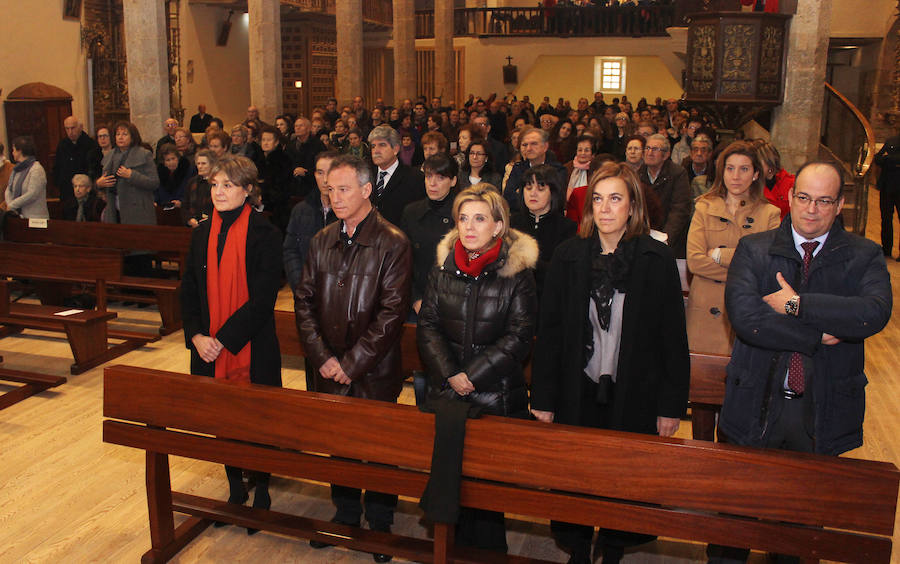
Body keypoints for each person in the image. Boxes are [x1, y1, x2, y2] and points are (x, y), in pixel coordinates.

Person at [710, 163, 892, 563]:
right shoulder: (755, 249)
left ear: (840, 204)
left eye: (824, 201)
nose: (811, 210)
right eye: (804, 198)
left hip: (820, 409)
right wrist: (817, 333)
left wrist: (796, 304)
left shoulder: (863, 255)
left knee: (798, 534)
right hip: (754, 401)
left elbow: (873, 313)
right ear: (790, 198)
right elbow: (746, 319)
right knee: (733, 526)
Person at [531, 161, 690, 564]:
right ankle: (579, 548)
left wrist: (670, 407)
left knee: (625, 476)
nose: (604, 208)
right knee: (577, 475)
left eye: (615, 199)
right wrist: (544, 396)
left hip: (634, 389)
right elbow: (550, 333)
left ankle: (615, 546)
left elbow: (673, 339)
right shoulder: (569, 255)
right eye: (597, 199)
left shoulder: (656, 258)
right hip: (577, 386)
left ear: (632, 206)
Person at [294, 154, 412, 564]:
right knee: (338, 445)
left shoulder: (393, 242)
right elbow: (304, 303)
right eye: (330, 189)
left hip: (375, 370)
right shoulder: (321, 239)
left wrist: (351, 363)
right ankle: (345, 515)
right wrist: (324, 358)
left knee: (379, 449)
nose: (336, 196)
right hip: (328, 367)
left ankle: (380, 523)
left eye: (344, 189)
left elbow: (392, 315)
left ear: (367, 190)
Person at [416, 185, 538, 553]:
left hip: (495, 393)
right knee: (449, 479)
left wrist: (472, 376)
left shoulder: (516, 274)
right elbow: (428, 325)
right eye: (463, 219)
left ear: (498, 226)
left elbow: (520, 335)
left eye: (480, 219)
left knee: (486, 494)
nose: (469, 227)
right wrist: (451, 374)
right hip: (449, 392)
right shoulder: (443, 268)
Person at [180, 155, 283, 535]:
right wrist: (196, 336)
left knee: (258, 419)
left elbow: (262, 300)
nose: (219, 192)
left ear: (246, 190)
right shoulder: (199, 233)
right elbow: (188, 289)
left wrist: (221, 340)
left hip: (251, 346)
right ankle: (236, 488)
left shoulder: (265, 234)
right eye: (215, 185)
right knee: (221, 419)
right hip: (207, 346)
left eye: (228, 185)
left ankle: (262, 488)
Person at [685, 141, 780, 355]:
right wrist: (745, 269)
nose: (736, 176)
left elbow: (768, 267)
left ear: (756, 174)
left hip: (746, 310)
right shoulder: (704, 206)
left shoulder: (770, 214)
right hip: (705, 312)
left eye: (744, 169)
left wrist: (719, 254)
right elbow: (695, 261)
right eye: (730, 168)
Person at [399, 153, 460, 315]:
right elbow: (403, 262)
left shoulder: (463, 214)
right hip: (419, 300)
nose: (432, 184)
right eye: (428, 176)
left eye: (440, 178)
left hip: (455, 301)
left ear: (453, 181)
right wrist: (415, 298)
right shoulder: (411, 212)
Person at [511, 164, 577, 298]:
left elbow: (561, 273)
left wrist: (529, 261)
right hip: (514, 297)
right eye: (528, 187)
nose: (532, 193)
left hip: (549, 297)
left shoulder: (567, 228)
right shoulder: (512, 223)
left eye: (541, 188)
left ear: (553, 192)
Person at [283, 150, 339, 293]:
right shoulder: (301, 210)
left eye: (330, 171)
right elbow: (290, 250)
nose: (325, 179)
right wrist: (299, 284)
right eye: (320, 173)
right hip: (305, 292)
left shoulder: (349, 212)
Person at [638, 134, 691, 258]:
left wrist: (664, 239)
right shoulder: (638, 174)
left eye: (655, 149)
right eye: (647, 148)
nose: (650, 152)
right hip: (645, 238)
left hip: (671, 239)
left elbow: (680, 210)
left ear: (666, 155)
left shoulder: (678, 173)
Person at [96, 121, 159, 225]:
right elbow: (105, 184)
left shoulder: (144, 154)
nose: (120, 137)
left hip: (138, 211)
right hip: (114, 209)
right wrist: (99, 184)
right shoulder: (110, 156)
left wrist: (132, 175)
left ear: (133, 137)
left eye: (125, 134)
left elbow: (154, 182)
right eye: (118, 134)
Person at [368, 124, 425, 227]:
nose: (376, 151)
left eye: (382, 145)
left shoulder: (415, 178)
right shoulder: (365, 175)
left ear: (396, 149)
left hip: (400, 238)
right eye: (373, 146)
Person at [503, 127, 567, 214]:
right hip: (522, 219)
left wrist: (521, 193)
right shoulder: (518, 168)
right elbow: (508, 197)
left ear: (545, 146)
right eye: (525, 145)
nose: (528, 148)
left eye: (534, 144)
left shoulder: (558, 170)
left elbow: (555, 200)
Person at [52, 116, 101, 208]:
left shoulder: (91, 145)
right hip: (66, 192)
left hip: (86, 193)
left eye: (73, 128)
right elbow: (57, 168)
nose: (70, 132)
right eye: (67, 129)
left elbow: (95, 169)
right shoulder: (62, 145)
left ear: (81, 127)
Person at [257, 126, 294, 233]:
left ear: (276, 142)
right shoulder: (259, 159)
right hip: (260, 201)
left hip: (278, 207)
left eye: (269, 140)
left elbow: (281, 186)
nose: (265, 143)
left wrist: (264, 197)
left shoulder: (283, 160)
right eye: (263, 140)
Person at [5, 136, 50, 219]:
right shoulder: (16, 169)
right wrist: (10, 205)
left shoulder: (36, 169)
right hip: (19, 217)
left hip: (35, 218)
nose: (12, 153)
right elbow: (9, 189)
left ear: (20, 151)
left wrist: (13, 204)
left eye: (14, 150)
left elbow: (32, 194)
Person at [874, 130, 900, 259]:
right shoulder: (891, 141)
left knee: (887, 219)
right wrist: (891, 161)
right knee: (886, 219)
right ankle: (886, 249)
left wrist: (888, 159)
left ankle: (888, 250)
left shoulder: (891, 143)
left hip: (892, 184)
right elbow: (877, 158)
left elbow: (882, 159)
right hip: (887, 185)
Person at [287, 117, 326, 199]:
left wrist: (306, 172)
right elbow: (286, 163)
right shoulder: (290, 145)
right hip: (293, 185)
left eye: (301, 125)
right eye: (296, 126)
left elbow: (322, 165)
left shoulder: (318, 145)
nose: (297, 128)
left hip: (311, 185)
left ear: (309, 129)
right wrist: (295, 169)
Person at [754, 140, 794, 221]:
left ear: (770, 163)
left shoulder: (792, 183)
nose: (754, 167)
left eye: (757, 163)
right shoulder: (750, 186)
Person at [184, 149, 215, 227]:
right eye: (198, 163)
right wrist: (189, 219)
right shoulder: (192, 182)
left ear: (212, 164)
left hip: (212, 225)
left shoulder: (217, 183)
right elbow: (185, 205)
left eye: (204, 163)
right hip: (194, 225)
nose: (200, 166)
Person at [155, 143, 192, 209]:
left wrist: (182, 202)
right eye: (168, 160)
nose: (171, 162)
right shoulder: (158, 173)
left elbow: (190, 193)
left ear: (178, 158)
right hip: (163, 208)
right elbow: (156, 193)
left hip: (183, 208)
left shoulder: (187, 170)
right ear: (164, 162)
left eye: (173, 158)